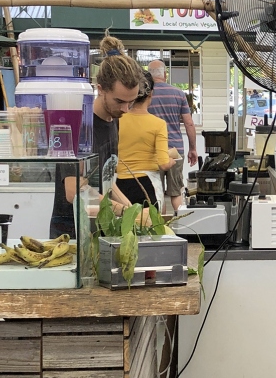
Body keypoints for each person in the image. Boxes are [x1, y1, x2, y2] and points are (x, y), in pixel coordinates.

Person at [49, 32, 144, 239]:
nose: (126, 109)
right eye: (120, 101)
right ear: (100, 89)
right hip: (72, 235)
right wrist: (124, 211)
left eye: (131, 102)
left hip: (100, 231)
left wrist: (132, 209)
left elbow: (106, 180)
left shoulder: (114, 118)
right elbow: (74, 190)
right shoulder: (77, 126)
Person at [118, 74, 176, 208]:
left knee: (123, 220)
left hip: (119, 183)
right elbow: (163, 164)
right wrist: (172, 160)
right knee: (150, 221)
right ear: (151, 94)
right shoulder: (158, 124)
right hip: (147, 183)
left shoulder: (118, 120)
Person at [146, 60, 197, 214]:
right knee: (176, 192)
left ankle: (160, 225)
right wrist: (193, 148)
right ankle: (181, 224)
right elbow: (189, 123)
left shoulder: (146, 95)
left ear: (149, 75)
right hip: (175, 150)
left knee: (157, 192)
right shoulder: (178, 93)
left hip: (154, 151)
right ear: (165, 74)